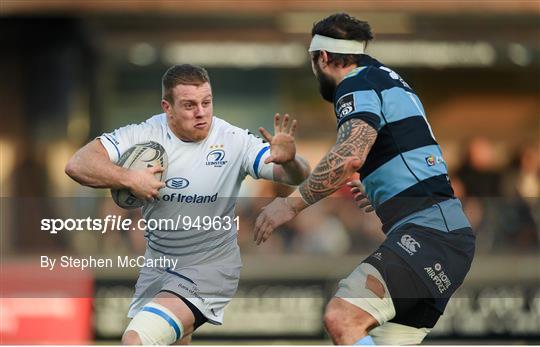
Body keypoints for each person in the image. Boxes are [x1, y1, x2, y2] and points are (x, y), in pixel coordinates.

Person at [254, 13, 476, 345]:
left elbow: (348, 156)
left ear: (323, 58)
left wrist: (288, 205)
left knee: (342, 317)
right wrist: (380, 186)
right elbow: (409, 150)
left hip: (428, 236)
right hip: (444, 237)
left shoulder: (355, 84)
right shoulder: (386, 79)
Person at [65, 64, 310, 345]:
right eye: (189, 105)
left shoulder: (233, 140)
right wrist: (130, 178)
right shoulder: (144, 134)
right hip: (158, 264)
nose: (201, 112)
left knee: (137, 339)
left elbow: (293, 176)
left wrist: (291, 160)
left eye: (206, 103)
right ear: (167, 107)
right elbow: (78, 164)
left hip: (210, 267)